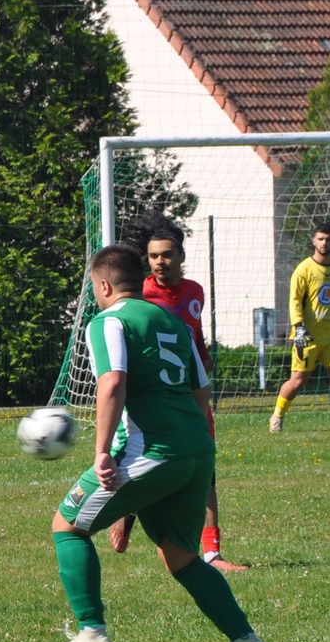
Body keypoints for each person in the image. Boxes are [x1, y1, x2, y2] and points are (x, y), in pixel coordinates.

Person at [41, 245, 264, 642]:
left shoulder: (108, 321)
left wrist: (102, 452)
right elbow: (201, 389)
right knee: (179, 555)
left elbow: (112, 383)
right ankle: (246, 639)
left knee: (67, 525)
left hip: (153, 449)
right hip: (196, 450)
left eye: (94, 288)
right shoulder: (174, 324)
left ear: (104, 285)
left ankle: (92, 633)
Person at [107, 221, 250, 573]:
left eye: (167, 254)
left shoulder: (194, 291)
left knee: (206, 470)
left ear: (181, 256)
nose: (159, 262)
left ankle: (212, 554)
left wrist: (203, 357)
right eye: (153, 256)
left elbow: (193, 336)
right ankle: (127, 509)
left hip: (191, 394)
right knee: (145, 457)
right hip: (153, 398)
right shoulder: (137, 294)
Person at [270, 225, 330, 432]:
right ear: (314, 241)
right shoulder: (304, 270)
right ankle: (277, 416)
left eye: (329, 239)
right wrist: (298, 327)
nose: (325, 243)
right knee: (298, 381)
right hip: (307, 335)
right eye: (321, 239)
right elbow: (294, 300)